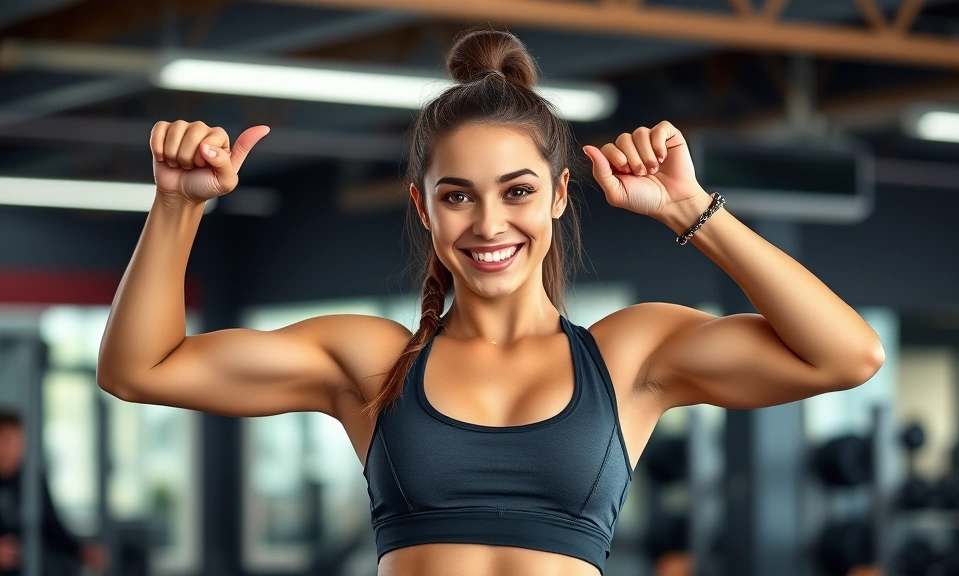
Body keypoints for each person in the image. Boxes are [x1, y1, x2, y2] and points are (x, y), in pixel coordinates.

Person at [96, 28, 885, 576]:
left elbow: (849, 356)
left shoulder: (628, 357)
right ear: (423, 207)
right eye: (457, 196)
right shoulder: (371, 362)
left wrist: (691, 210)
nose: (488, 223)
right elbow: (139, 370)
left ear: (559, 195)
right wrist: (177, 206)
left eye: (517, 191)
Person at [0, 409, 107, 575]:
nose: (11, 450)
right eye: (6, 441)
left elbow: (52, 527)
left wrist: (81, 550)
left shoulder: (31, 482)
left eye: (18, 442)